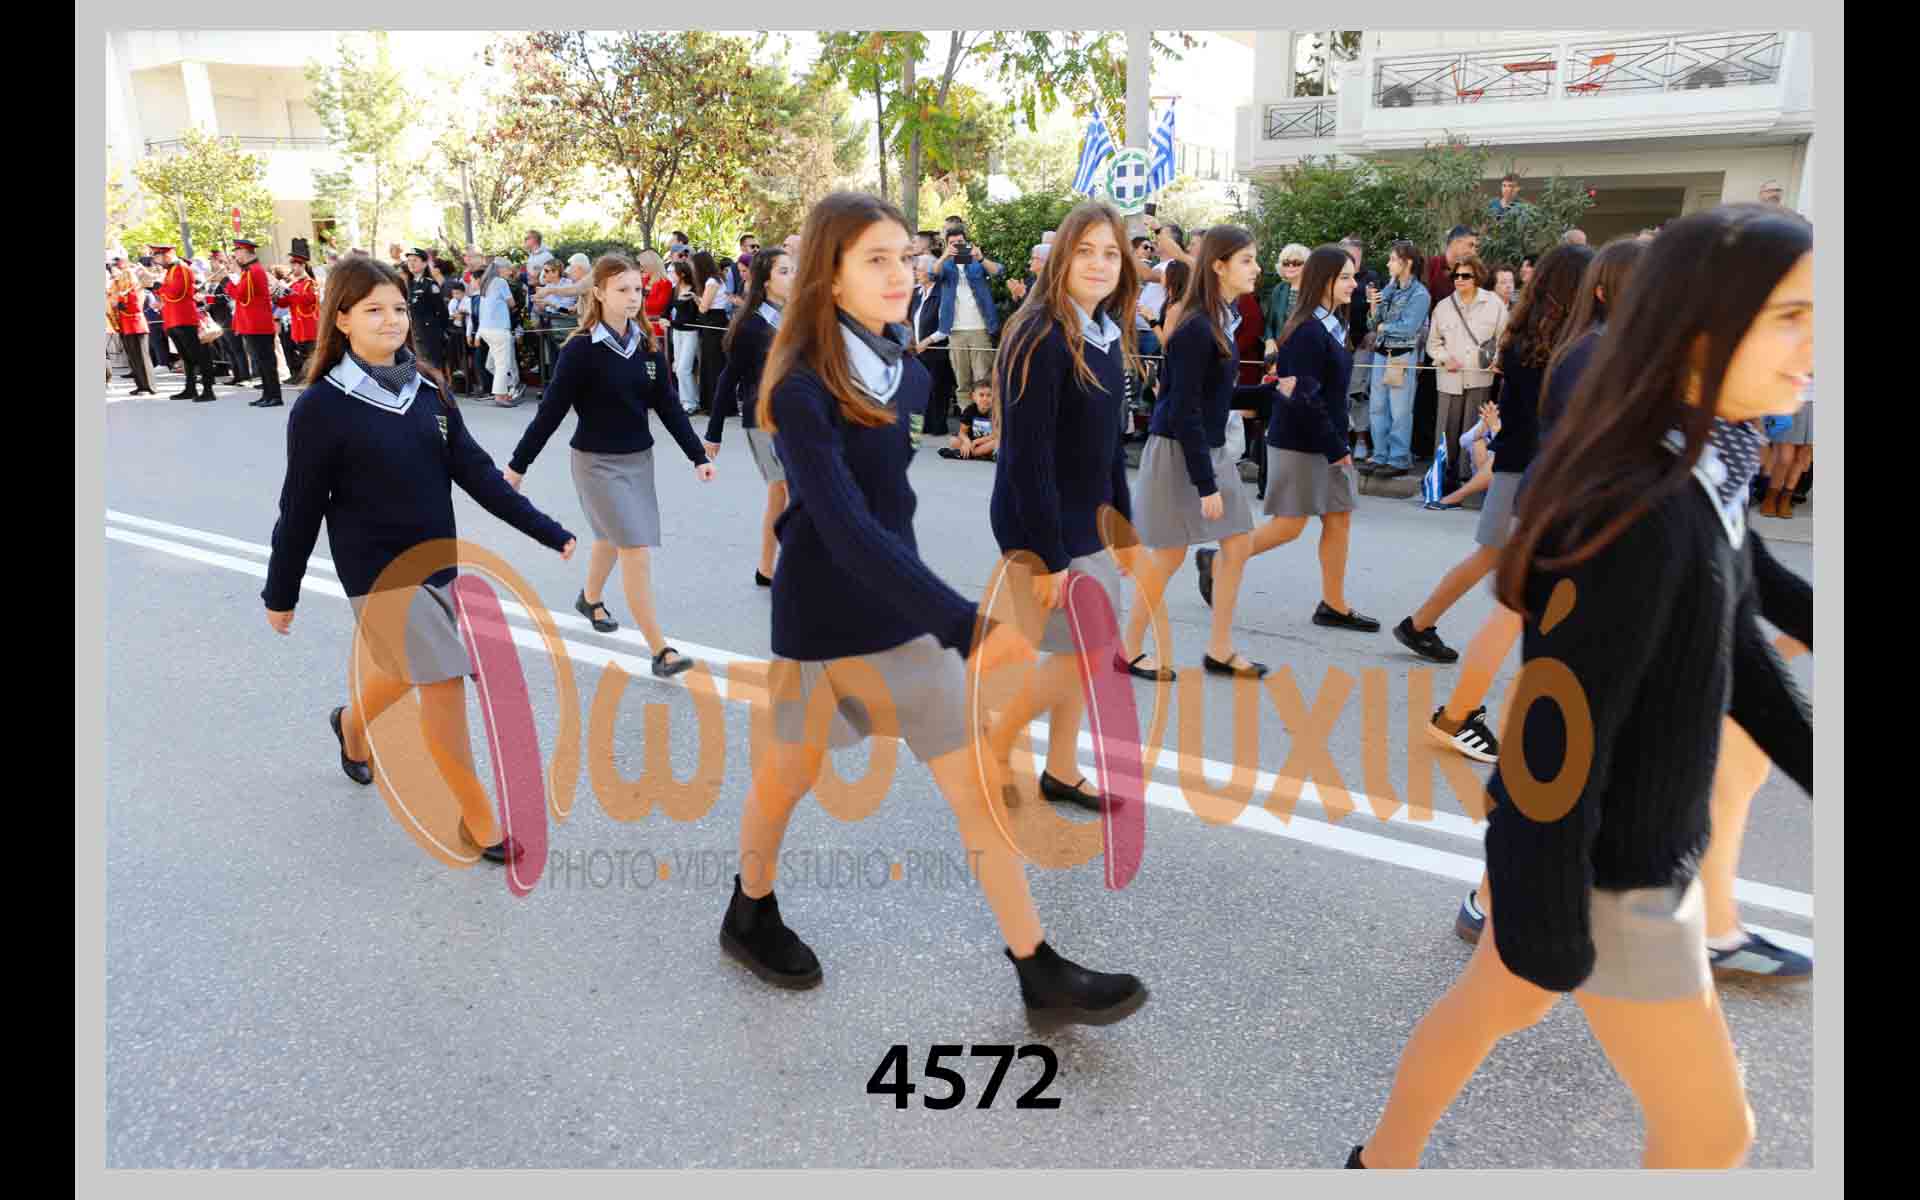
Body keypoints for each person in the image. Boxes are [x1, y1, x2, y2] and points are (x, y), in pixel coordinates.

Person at [1348, 204, 1812, 1170]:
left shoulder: (1705, 458)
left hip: (1632, 848)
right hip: (1614, 874)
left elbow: (1739, 633)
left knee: (1496, 1006)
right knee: (1712, 1135)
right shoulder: (1637, 504)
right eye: (1791, 317)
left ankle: (1378, 1166)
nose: (1819, 344)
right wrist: (1547, 914)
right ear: (1699, 326)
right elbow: (1552, 740)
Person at [729, 190, 1147, 1026]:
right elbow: (843, 524)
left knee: (977, 787)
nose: (900, 274)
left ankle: (1036, 968)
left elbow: (891, 512)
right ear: (829, 274)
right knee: (786, 780)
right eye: (876, 260)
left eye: (905, 258)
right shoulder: (802, 383)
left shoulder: (902, 367)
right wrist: (962, 623)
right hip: (821, 620)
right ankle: (750, 907)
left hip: (899, 613)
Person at [262, 255, 579, 864]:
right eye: (374, 310)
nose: (392, 320)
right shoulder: (321, 407)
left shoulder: (428, 390)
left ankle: (352, 725)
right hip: (377, 574)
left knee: (410, 670)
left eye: (399, 309)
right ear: (342, 319)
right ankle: (479, 820)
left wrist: (545, 529)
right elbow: (299, 508)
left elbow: (477, 474)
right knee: (440, 678)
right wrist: (282, 592)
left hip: (436, 564)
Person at [981, 200, 1140, 812]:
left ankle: (1061, 769)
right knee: (1085, 652)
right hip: (1042, 523)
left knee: (1079, 654)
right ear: (1061, 259)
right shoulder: (1041, 334)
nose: (1100, 264)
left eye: (1111, 253)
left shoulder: (1103, 331)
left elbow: (1107, 444)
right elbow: (1028, 457)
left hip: (1086, 518)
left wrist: (1121, 525)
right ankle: (994, 744)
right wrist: (1049, 556)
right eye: (1085, 251)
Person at [504, 254, 715, 677]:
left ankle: (590, 599)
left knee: (609, 538)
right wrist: (517, 466)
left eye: (638, 289)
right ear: (599, 293)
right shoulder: (580, 350)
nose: (633, 297)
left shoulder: (647, 346)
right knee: (634, 547)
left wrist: (697, 455)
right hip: (596, 464)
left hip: (639, 461)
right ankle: (660, 650)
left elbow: (669, 407)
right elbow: (550, 413)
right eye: (622, 290)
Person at [1394, 243, 1593, 668]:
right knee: (1522, 564)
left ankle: (1420, 624)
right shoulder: (1564, 346)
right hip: (1533, 465)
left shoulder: (1526, 336)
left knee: (1492, 556)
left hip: (1519, 460)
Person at [1118, 226, 1280, 681]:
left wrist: (1269, 394)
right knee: (1169, 554)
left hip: (1208, 446)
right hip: (1179, 450)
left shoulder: (1222, 319)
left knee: (1238, 543)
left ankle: (1220, 649)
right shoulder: (1196, 326)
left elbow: (1212, 397)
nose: (1257, 268)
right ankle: (1128, 650)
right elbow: (1182, 409)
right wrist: (1205, 484)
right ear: (1218, 266)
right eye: (1247, 260)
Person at [1198, 242, 1380, 638]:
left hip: (1327, 439)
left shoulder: (1332, 323)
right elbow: (1303, 398)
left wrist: (1338, 443)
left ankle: (1334, 605)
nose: (1353, 284)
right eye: (1345, 278)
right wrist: (1337, 449)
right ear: (1324, 281)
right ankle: (1217, 562)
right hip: (1301, 441)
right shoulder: (1307, 330)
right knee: (1288, 526)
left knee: (1339, 518)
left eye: (1352, 277)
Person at [703, 246, 793, 587]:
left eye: (793, 270)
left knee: (780, 494)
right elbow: (729, 378)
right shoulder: (751, 325)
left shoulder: (798, 318)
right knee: (789, 489)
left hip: (798, 416)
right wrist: (713, 432)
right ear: (765, 281)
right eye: (784, 271)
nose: (793, 277)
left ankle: (766, 568)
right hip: (762, 419)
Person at [1427, 254, 1507, 492]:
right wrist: (1445, 358)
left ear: (1477, 277)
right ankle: (1441, 480)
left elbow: (1504, 339)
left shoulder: (1494, 304)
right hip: (1449, 379)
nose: (1459, 279)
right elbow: (1433, 343)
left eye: (1465, 275)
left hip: (1480, 377)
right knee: (1446, 431)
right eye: (1456, 275)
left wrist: (1496, 359)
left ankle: (1468, 480)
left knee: (1474, 431)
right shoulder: (1443, 307)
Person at [1358, 240, 1431, 479]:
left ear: (1406, 263)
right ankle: (1380, 455)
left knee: (1400, 409)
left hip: (1401, 354)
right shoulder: (1389, 289)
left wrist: (1382, 327)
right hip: (1381, 353)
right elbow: (1372, 324)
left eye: (1392, 259)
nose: (1388, 264)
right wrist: (1373, 305)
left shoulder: (1420, 294)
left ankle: (1398, 458)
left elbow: (1409, 327)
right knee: (1377, 406)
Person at [928, 224, 1005, 416]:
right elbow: (932, 274)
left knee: (983, 380)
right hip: (954, 330)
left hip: (980, 328)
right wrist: (944, 256)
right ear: (947, 244)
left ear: (967, 242)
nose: (957, 245)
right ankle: (966, 422)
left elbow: (998, 271)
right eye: (952, 243)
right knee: (962, 381)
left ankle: (986, 422)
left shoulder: (976, 262)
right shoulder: (945, 265)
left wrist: (981, 258)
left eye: (960, 242)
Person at [152, 244, 216, 402]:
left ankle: (208, 390)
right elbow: (168, 294)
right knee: (186, 357)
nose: (156, 260)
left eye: (158, 256)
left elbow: (177, 292)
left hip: (184, 318)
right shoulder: (170, 271)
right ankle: (190, 388)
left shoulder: (182, 268)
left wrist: (159, 287)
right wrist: (160, 290)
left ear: (167, 255)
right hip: (173, 319)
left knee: (199, 355)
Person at [475, 255, 524, 406]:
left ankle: (509, 385)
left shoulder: (485, 282)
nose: (510, 272)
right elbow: (512, 303)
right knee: (502, 365)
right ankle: (500, 396)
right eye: (508, 269)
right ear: (501, 269)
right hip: (499, 329)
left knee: (491, 364)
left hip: (486, 330)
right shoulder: (501, 282)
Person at [691, 249, 729, 414]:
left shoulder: (712, 282)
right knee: (712, 362)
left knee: (714, 364)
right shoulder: (716, 280)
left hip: (714, 322)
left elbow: (704, 308)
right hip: (715, 321)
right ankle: (711, 403)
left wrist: (696, 300)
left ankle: (715, 405)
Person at [109, 266, 157, 396]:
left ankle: (148, 387)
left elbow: (136, 307)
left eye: (124, 277)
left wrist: (121, 304)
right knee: (133, 358)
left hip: (137, 326)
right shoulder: (124, 291)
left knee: (142, 357)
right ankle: (140, 385)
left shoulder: (136, 289)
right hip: (126, 327)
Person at [666, 261, 703, 416]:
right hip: (677, 332)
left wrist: (671, 322)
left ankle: (690, 403)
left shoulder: (694, 290)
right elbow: (667, 308)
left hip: (690, 332)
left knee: (683, 369)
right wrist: (663, 318)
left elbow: (691, 317)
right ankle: (689, 401)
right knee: (678, 368)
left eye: (672, 272)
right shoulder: (674, 289)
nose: (670, 274)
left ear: (681, 274)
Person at [278, 249, 320, 383]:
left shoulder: (310, 283)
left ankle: (312, 380)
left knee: (311, 356)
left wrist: (289, 291)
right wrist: (276, 294)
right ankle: (302, 377)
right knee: (302, 355)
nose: (292, 268)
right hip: (298, 327)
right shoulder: (295, 284)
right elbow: (284, 304)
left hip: (309, 327)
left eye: (295, 265)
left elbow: (308, 301)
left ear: (302, 266)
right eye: (291, 265)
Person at [1262, 244, 1309, 360]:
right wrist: (1269, 341)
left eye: (1297, 263)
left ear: (1308, 265)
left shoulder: (1315, 291)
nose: (1290, 266)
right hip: (1281, 354)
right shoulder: (1279, 289)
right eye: (1286, 263)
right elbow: (1269, 324)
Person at [939, 379, 999, 461]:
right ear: (974, 397)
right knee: (953, 441)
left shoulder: (996, 411)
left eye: (989, 395)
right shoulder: (970, 410)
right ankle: (981, 454)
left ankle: (965, 454)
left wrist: (978, 441)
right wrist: (967, 442)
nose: (985, 399)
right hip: (973, 443)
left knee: (997, 442)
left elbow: (996, 434)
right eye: (981, 395)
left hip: (987, 442)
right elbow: (962, 432)